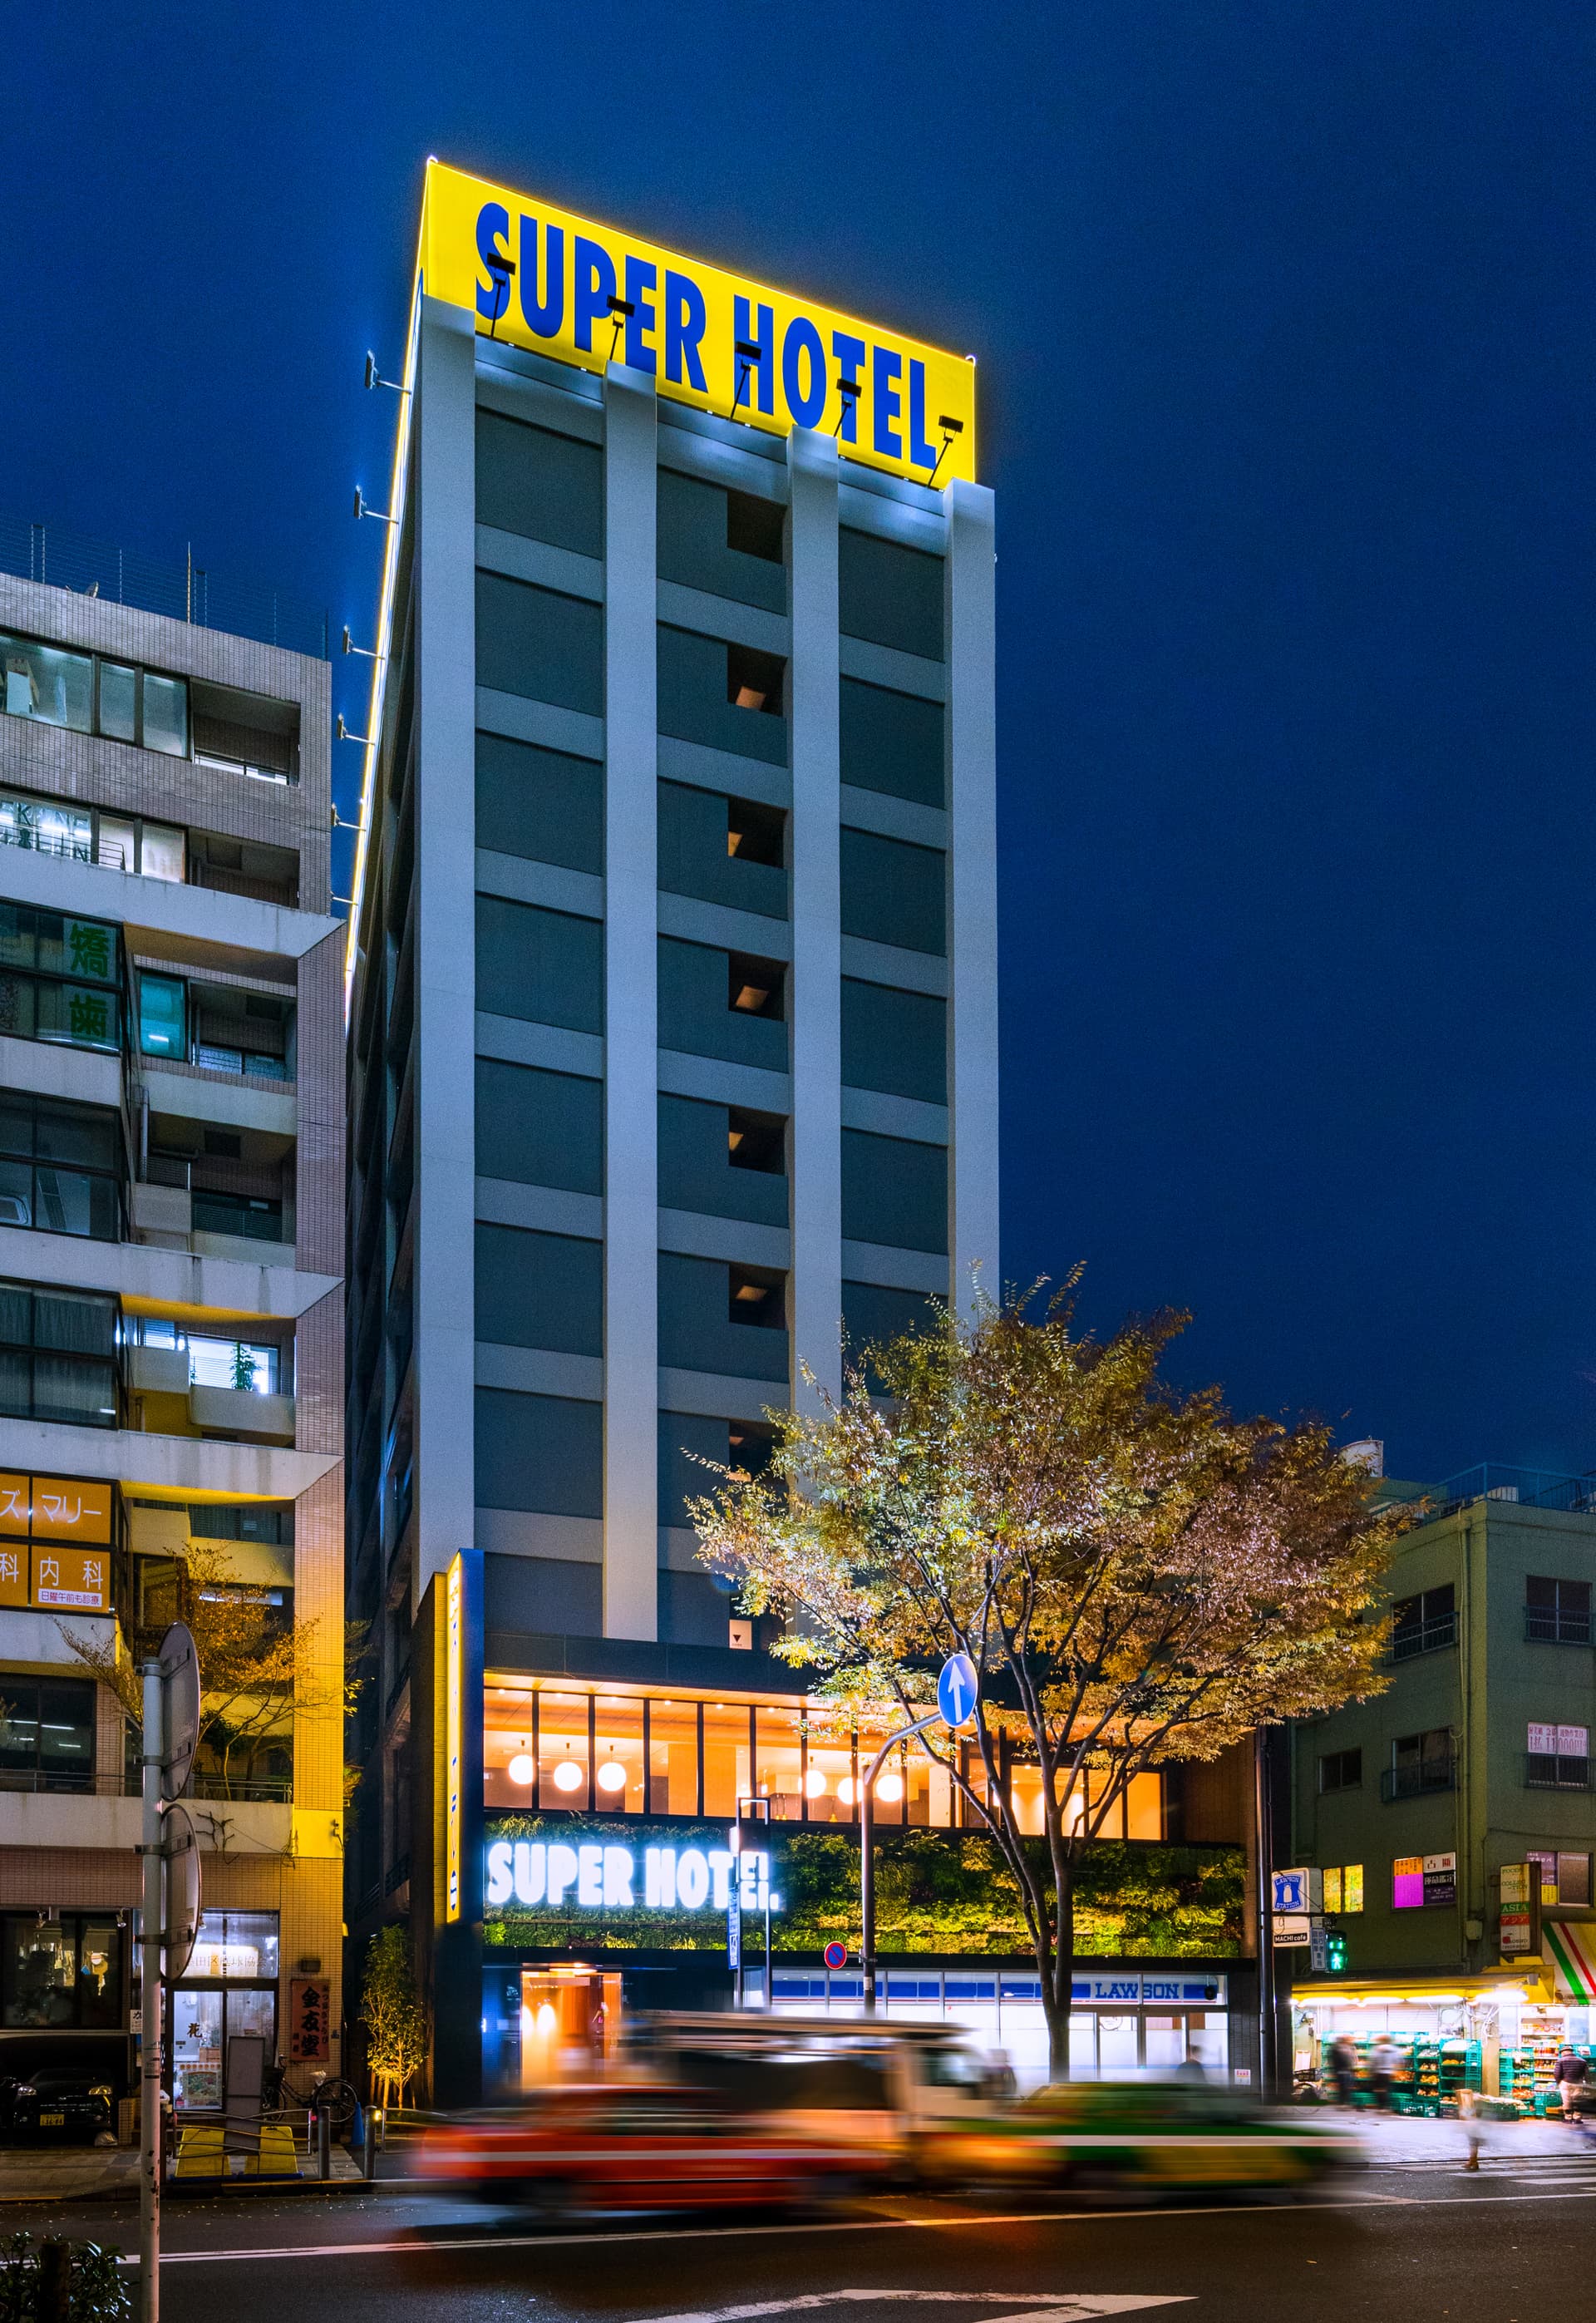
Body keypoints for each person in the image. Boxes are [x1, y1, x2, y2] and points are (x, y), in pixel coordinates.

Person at [1368, 2033, 1402, 2111]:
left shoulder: (1377, 2049)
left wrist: (1371, 2072)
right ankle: (1386, 2106)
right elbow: (1399, 2061)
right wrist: (1396, 2071)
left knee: (1379, 2089)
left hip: (1379, 2072)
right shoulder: (1394, 2049)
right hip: (1389, 2072)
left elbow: (1373, 2061)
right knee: (1387, 2089)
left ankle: (1381, 2106)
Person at [1554, 2046, 1589, 2122]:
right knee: (1577, 2100)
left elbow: (1557, 2074)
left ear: (1563, 2053)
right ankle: (1577, 2118)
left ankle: (1568, 2118)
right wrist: (1586, 2083)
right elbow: (1587, 2074)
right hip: (1578, 2083)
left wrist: (1559, 2082)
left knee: (1567, 2101)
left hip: (1565, 2083)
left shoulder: (1560, 2061)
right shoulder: (1582, 2061)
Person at [1328, 2032, 1359, 2108]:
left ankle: (1344, 2103)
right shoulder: (1340, 2048)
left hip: (1345, 2071)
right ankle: (1343, 2103)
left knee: (1345, 2088)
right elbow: (1346, 2060)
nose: (1351, 2041)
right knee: (1344, 2088)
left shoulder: (1346, 2047)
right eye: (1349, 2039)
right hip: (1343, 2071)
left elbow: (1353, 2058)